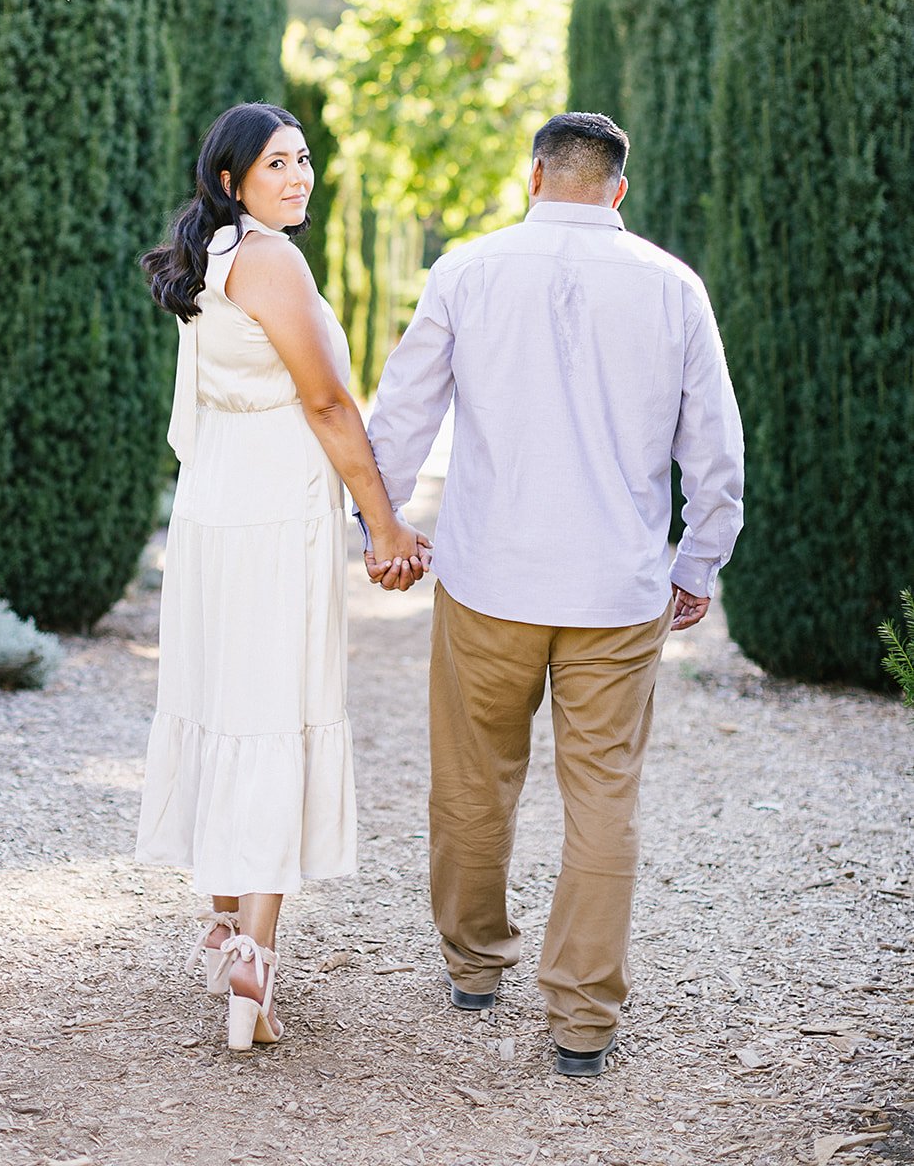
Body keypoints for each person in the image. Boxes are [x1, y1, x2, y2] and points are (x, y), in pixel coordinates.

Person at [364, 112, 744, 1076]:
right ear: (618, 189)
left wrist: (380, 526)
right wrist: (696, 562)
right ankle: (581, 1019)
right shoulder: (673, 285)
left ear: (532, 176)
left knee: (472, 778)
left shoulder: (467, 270)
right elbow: (714, 447)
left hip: (491, 576)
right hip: (617, 591)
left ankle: (474, 965)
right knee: (604, 795)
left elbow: (403, 410)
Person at [135, 102, 427, 1051]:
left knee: (225, 707)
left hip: (215, 514)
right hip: (267, 524)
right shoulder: (270, 258)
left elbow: (203, 412)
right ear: (232, 180)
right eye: (276, 165)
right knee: (267, 715)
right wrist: (383, 524)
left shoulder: (209, 260)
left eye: (304, 161)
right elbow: (328, 402)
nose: (298, 178)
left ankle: (223, 929)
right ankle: (251, 970)